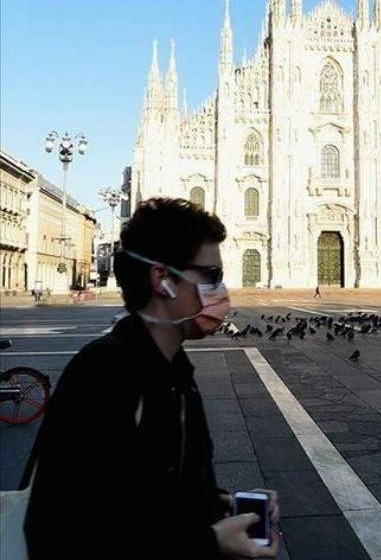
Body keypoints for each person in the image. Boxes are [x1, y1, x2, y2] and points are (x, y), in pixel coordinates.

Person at [24, 198, 280, 560]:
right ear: (162, 279)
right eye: (211, 276)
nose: (221, 291)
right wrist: (209, 543)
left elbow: (155, 497)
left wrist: (225, 508)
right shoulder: (103, 374)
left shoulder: (176, 372)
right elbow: (58, 532)